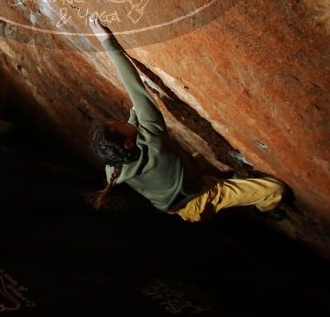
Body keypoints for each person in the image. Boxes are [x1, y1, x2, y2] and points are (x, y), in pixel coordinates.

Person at [88, 17, 288, 222]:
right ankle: (267, 208)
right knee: (274, 189)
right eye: (119, 124)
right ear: (129, 143)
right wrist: (106, 41)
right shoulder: (153, 141)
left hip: (175, 203)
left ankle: (231, 180)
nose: (123, 121)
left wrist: (137, 109)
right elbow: (134, 88)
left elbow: (135, 118)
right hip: (200, 196)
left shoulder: (113, 168)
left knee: (196, 160)